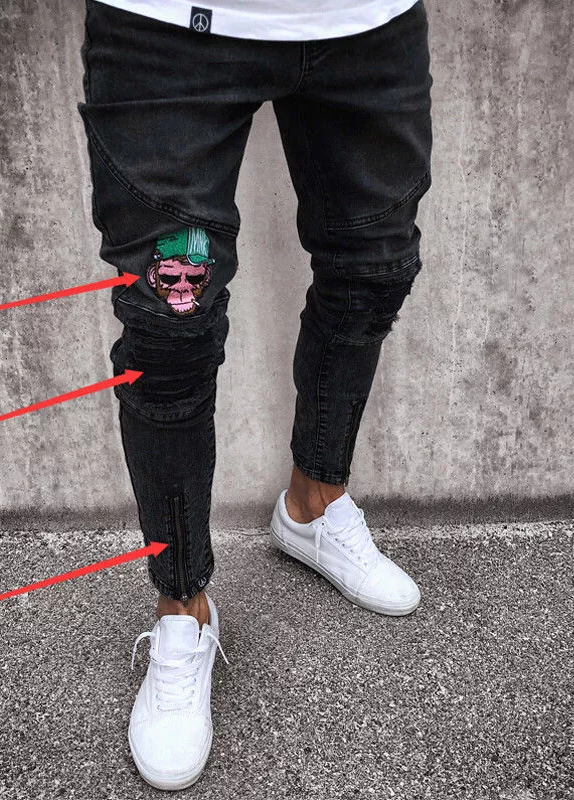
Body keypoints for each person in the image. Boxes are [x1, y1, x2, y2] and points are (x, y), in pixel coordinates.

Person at [78, 0, 433, 789]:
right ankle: (183, 610)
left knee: (373, 272)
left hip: (367, 25)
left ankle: (312, 509)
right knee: (171, 326)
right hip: (168, 33)